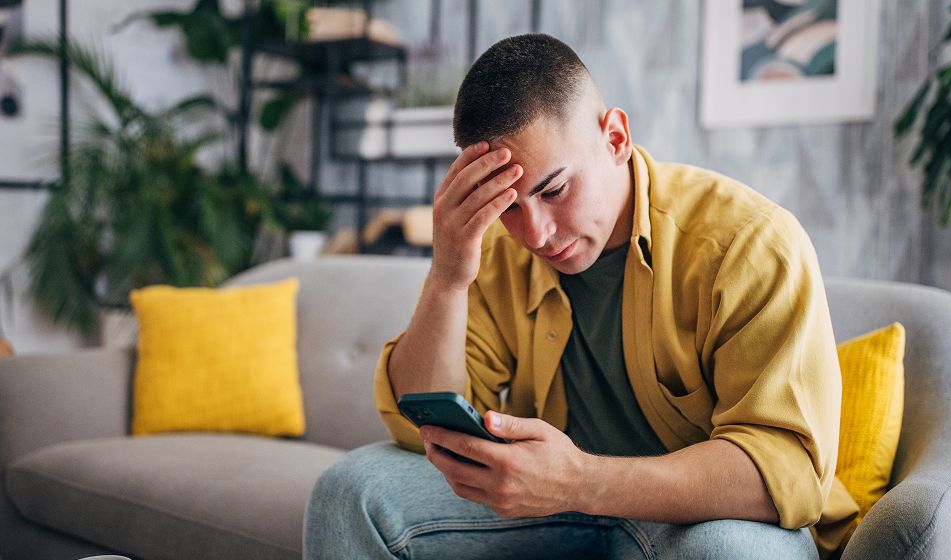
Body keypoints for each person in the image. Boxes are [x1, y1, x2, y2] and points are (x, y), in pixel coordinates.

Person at [304, 33, 859, 560]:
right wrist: (448, 274)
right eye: (509, 207)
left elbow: (785, 469)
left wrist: (579, 481)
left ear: (615, 138)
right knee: (349, 492)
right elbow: (417, 424)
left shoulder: (748, 244)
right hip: (554, 505)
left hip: (698, 516)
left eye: (554, 190)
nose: (536, 234)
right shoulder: (499, 253)